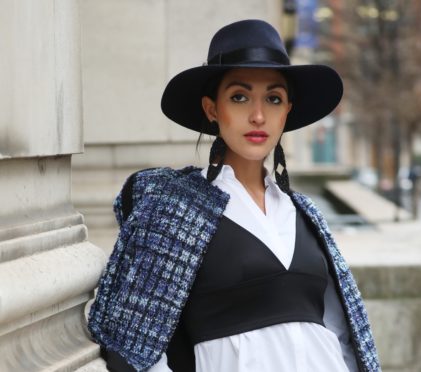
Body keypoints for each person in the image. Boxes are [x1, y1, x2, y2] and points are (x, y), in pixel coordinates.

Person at [87, 19, 381, 372]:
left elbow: (342, 339)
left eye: (273, 99)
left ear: (287, 111)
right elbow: (132, 346)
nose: (258, 116)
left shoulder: (304, 214)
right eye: (239, 97)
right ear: (213, 109)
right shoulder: (176, 210)